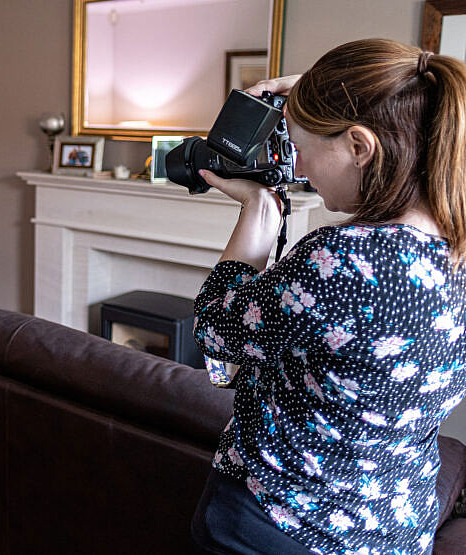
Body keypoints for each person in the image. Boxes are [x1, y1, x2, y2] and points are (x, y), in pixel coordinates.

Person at [189, 38, 466, 554]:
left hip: (283, 526)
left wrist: (259, 212)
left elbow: (215, 330)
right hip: (395, 522)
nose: (301, 170)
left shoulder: (345, 260)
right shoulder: (455, 245)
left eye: (302, 146)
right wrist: (330, 101)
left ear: (360, 147)